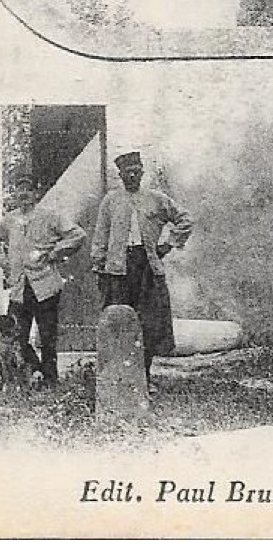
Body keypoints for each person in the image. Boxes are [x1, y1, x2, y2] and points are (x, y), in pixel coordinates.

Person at [91, 150, 194, 382]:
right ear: (120, 175)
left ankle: (143, 377)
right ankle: (118, 377)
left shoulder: (157, 199)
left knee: (149, 321)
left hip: (146, 266)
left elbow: (185, 220)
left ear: (142, 173)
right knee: (118, 319)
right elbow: (101, 235)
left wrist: (168, 245)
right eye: (128, 173)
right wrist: (98, 266)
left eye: (136, 172)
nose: (132, 176)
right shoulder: (111, 201)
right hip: (117, 268)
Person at [0, 174, 85, 386]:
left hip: (46, 284)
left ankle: (50, 379)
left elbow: (78, 235)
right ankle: (29, 373)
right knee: (16, 336)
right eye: (20, 190)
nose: (24, 194)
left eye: (28, 190)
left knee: (48, 336)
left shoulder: (50, 216)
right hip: (20, 286)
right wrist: (5, 262)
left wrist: (55, 253)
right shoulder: (10, 220)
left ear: (36, 193)